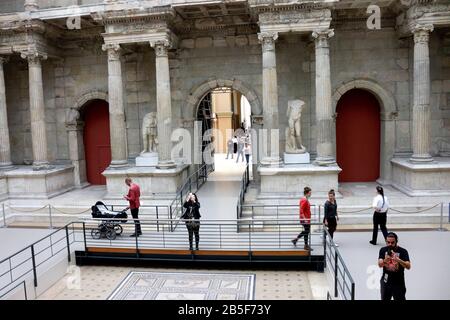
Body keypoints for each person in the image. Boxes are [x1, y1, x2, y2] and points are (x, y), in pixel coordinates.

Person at [378, 232, 411, 300]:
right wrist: (385, 261)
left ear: (396, 241)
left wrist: (399, 260)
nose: (390, 244)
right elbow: (379, 264)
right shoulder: (383, 250)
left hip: (398, 282)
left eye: (392, 242)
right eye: (388, 242)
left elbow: (408, 266)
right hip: (386, 282)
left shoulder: (403, 251)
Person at [291, 186, 313, 251]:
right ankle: (305, 245)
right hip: (305, 219)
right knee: (307, 231)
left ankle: (296, 240)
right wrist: (305, 219)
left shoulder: (304, 199)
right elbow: (301, 210)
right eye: (310, 193)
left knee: (306, 231)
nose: (310, 194)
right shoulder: (304, 200)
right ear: (307, 193)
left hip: (306, 219)